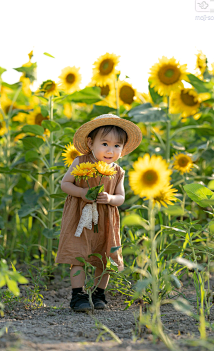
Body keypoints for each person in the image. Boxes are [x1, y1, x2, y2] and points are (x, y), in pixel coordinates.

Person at [56, 114, 142, 312]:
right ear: (90, 143)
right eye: (104, 143)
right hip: (80, 218)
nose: (110, 150)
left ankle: (99, 293)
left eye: (117, 146)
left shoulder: (118, 171)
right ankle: (78, 295)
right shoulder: (80, 161)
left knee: (105, 257)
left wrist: (110, 199)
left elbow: (121, 197)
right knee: (76, 254)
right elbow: (65, 184)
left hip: (105, 220)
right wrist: (82, 193)